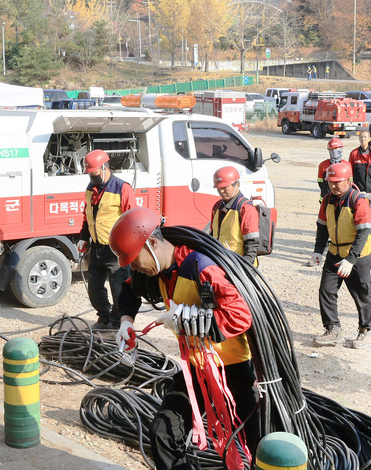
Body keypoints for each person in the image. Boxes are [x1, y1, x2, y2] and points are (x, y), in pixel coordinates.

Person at [110, 207, 260, 469]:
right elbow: (128, 291)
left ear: (152, 243)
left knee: (258, 442)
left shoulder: (201, 267)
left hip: (233, 370)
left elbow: (240, 315)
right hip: (195, 369)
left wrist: (187, 319)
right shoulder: (156, 272)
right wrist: (126, 322)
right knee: (163, 432)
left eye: (134, 261)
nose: (134, 268)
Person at [309, 163, 371, 348]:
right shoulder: (327, 199)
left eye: (337, 182)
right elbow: (322, 227)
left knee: (361, 292)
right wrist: (317, 250)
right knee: (327, 290)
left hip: (357, 255)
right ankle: (333, 329)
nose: (333, 186)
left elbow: (363, 233)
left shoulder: (359, 200)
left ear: (348, 180)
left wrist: (351, 260)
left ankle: (365, 330)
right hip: (334, 252)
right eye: (330, 182)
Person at [77, 149, 135, 330]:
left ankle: (118, 323)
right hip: (97, 248)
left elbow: (132, 218)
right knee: (94, 288)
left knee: (118, 289)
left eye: (94, 173)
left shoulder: (122, 188)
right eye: (89, 174)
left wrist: (130, 247)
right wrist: (83, 237)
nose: (92, 177)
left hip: (116, 249)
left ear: (104, 167)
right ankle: (104, 317)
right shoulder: (90, 189)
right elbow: (88, 215)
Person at [210, 166, 260, 266]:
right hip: (222, 261)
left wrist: (246, 267)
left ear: (237, 184)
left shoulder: (246, 208)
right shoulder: (217, 206)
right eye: (219, 188)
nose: (221, 192)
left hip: (239, 264)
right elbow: (212, 235)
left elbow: (252, 243)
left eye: (225, 188)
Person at [317, 137, 351, 203]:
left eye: (336, 148)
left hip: (343, 199)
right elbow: (320, 183)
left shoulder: (347, 165)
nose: (334, 151)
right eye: (332, 149)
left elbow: (350, 183)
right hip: (326, 199)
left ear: (341, 149)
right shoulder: (323, 165)